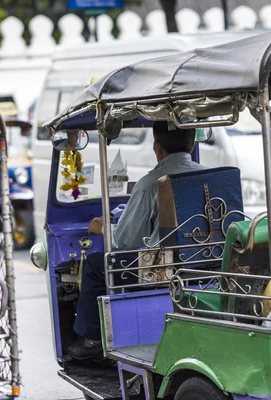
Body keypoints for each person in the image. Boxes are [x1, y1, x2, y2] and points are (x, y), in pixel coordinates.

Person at [67, 121, 204, 360]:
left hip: (162, 268)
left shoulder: (151, 184)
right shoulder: (209, 176)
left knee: (97, 265)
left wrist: (102, 228)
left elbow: (124, 240)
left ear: (157, 147)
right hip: (205, 264)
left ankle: (90, 340)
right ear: (192, 145)